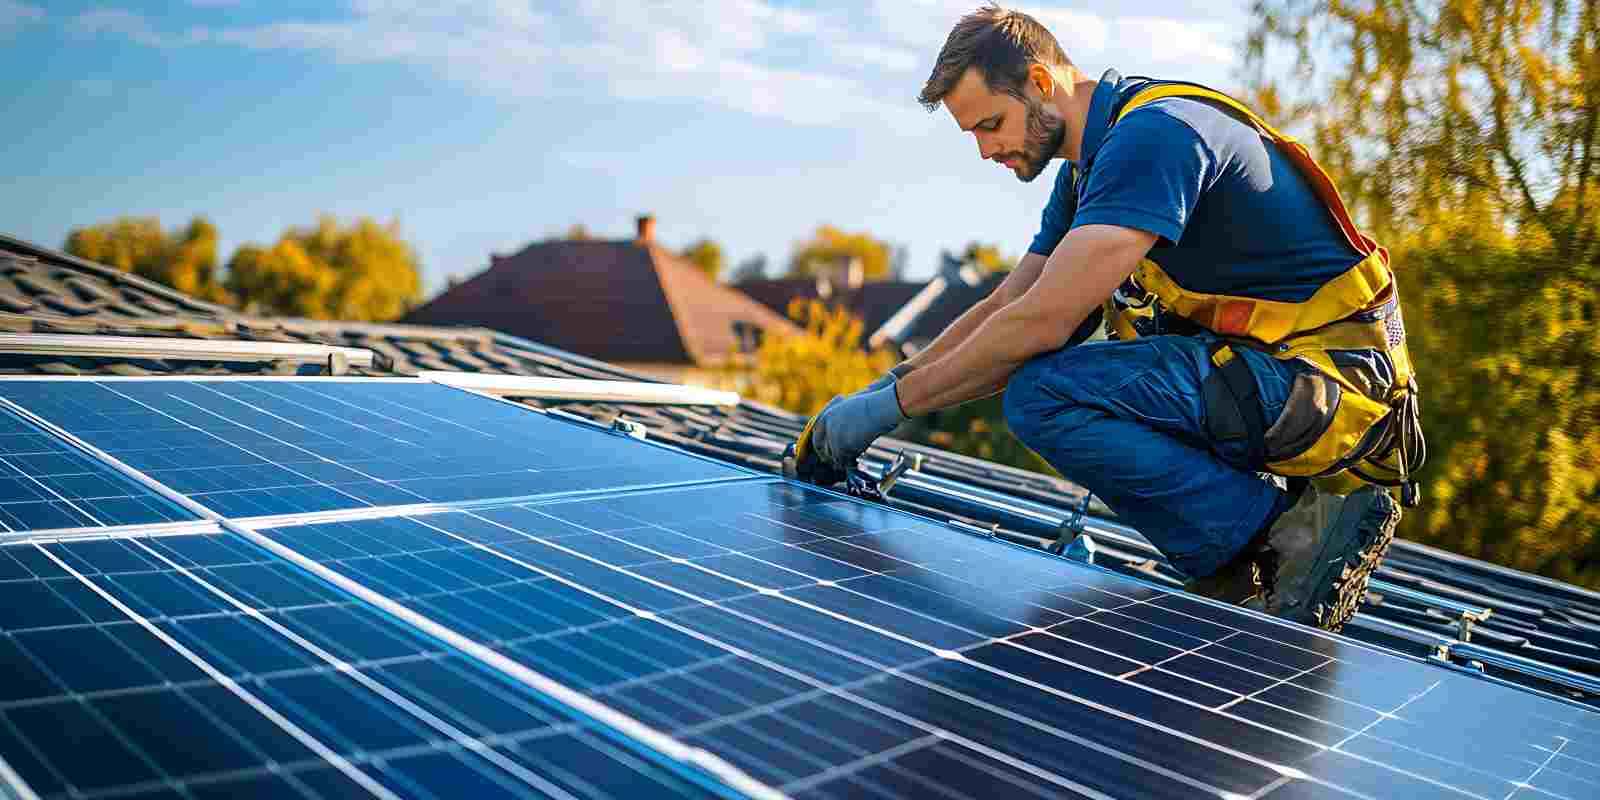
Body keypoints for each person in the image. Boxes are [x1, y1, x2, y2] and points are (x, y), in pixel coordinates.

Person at [797, 4, 1424, 632]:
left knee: (1043, 394)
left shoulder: (1155, 138)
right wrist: (880, 391)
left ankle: (1291, 538)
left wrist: (885, 413)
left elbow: (1039, 325)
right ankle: (1244, 560)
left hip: (1329, 388)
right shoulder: (1087, 171)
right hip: (1271, 385)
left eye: (991, 124)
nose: (986, 151)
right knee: (1042, 381)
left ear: (1042, 83)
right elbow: (1007, 306)